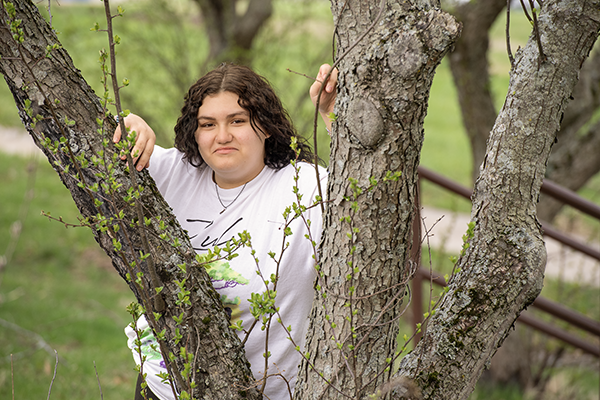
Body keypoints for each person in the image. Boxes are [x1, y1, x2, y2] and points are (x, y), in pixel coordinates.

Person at [116, 63, 338, 400]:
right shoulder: (173, 173)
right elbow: (101, 145)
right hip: (160, 388)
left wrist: (334, 116)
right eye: (208, 124)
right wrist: (130, 125)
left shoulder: (304, 187)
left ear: (265, 125)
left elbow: (364, 201)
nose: (222, 136)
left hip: (255, 393)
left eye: (237, 120)